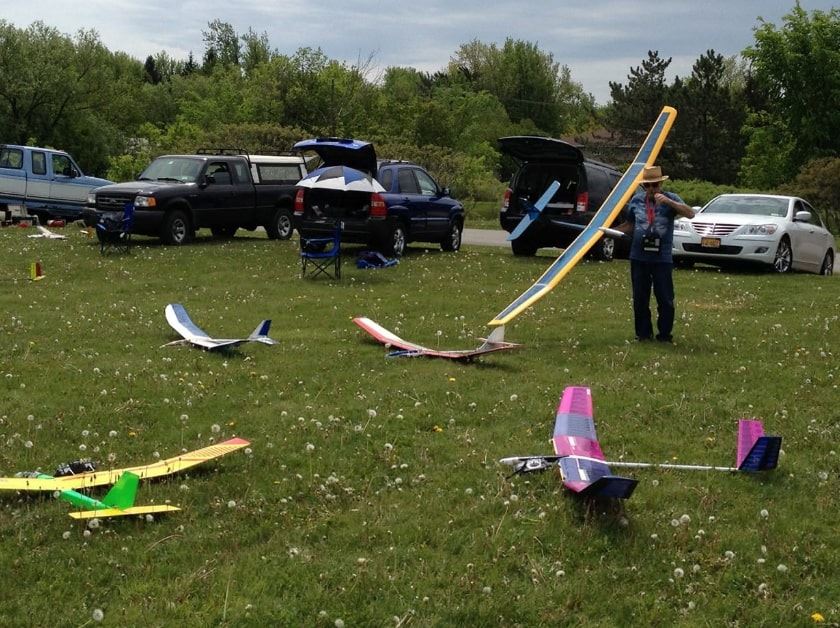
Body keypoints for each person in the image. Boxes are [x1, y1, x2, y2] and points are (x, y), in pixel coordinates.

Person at [618, 165, 695, 343]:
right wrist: (607, 232)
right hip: (638, 257)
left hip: (662, 258)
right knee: (640, 299)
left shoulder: (671, 199)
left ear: (661, 184)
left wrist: (669, 203)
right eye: (648, 186)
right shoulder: (636, 201)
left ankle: (665, 335)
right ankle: (643, 335)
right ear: (644, 187)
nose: (652, 189)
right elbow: (630, 225)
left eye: (655, 185)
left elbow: (690, 213)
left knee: (665, 298)